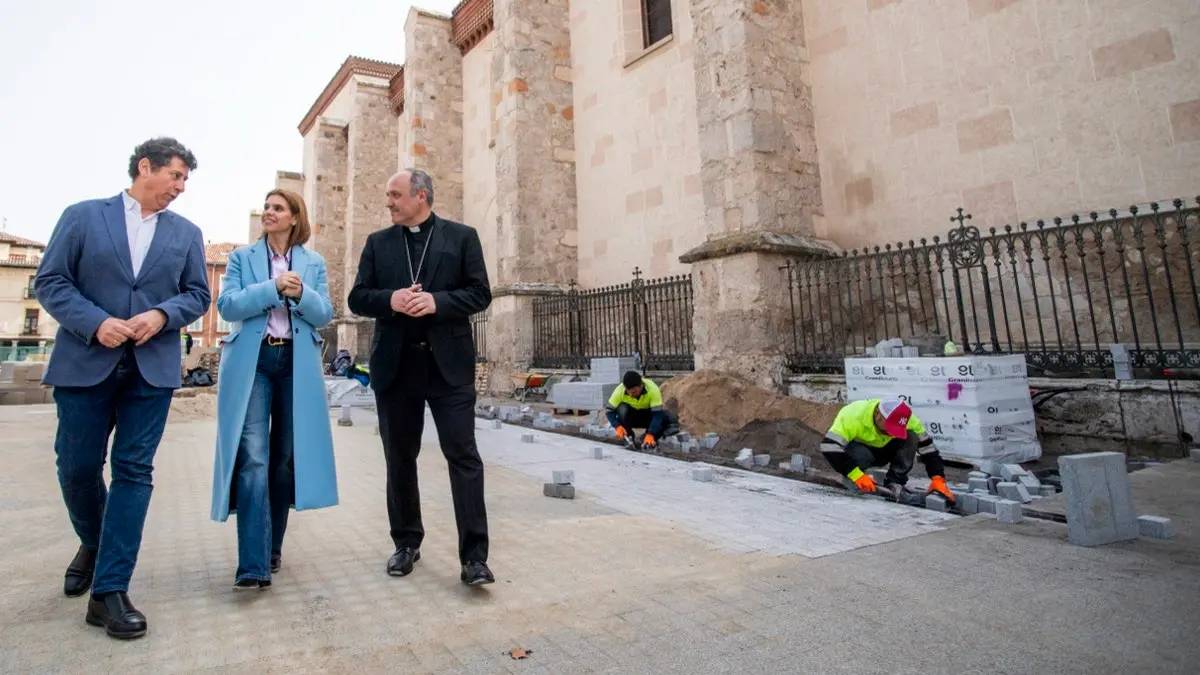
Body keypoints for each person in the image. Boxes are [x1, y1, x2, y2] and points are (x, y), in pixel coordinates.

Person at [34, 137, 210, 639]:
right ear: (145, 167)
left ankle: (109, 590)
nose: (180, 188)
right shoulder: (83, 216)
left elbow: (197, 293)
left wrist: (161, 314)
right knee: (77, 468)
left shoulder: (186, 233)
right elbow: (51, 281)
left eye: (185, 181)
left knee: (134, 472)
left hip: (151, 370)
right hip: (85, 361)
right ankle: (94, 540)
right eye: (175, 176)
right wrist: (95, 322)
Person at [347, 169, 494, 586]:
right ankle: (406, 543)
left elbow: (480, 293)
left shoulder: (462, 237)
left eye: (395, 195)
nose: (388, 202)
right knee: (399, 458)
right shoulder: (378, 244)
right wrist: (391, 300)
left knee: (463, 458)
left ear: (421, 196)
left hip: (449, 369)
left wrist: (436, 302)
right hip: (396, 369)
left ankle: (474, 558)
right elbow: (358, 297)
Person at [210, 189, 338, 590]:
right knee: (253, 458)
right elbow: (227, 306)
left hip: (296, 364)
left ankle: (272, 546)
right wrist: (272, 288)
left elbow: (324, 315)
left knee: (283, 460)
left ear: (295, 218)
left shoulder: (313, 263)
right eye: (266, 207)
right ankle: (251, 564)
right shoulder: (240, 259)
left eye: (277, 208)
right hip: (254, 363)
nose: (268, 212)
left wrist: (301, 293)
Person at [818, 398, 956, 505]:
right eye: (891, 427)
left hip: (886, 451)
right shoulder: (853, 415)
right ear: (878, 415)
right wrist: (856, 475)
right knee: (859, 454)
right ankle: (854, 479)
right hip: (863, 453)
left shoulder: (908, 420)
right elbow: (828, 446)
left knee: (911, 436)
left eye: (897, 428)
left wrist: (938, 478)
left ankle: (895, 482)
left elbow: (928, 449)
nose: (892, 433)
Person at [605, 371, 679, 450]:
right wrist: (617, 426)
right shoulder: (619, 391)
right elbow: (609, 411)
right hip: (630, 417)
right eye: (628, 392)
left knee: (667, 418)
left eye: (634, 392)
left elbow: (657, 415)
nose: (631, 395)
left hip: (647, 416)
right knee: (622, 409)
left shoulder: (652, 389)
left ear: (641, 385)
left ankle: (647, 437)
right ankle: (629, 437)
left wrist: (651, 433)